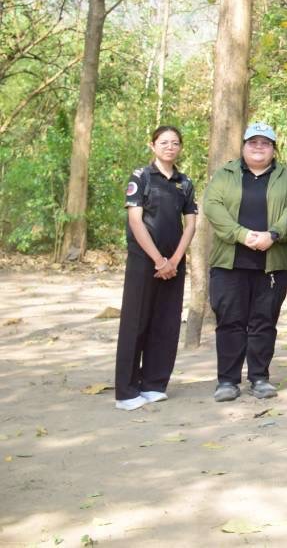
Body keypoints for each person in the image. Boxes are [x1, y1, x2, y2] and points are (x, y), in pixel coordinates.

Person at [203, 122, 287, 403]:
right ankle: (228, 380)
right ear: (243, 146)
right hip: (229, 263)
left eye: (265, 143)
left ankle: (259, 377)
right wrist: (241, 234)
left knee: (263, 322)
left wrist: (274, 234)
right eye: (253, 142)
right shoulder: (225, 174)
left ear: (273, 149)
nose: (258, 147)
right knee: (229, 322)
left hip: (272, 263)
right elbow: (212, 207)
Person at [114, 126, 198, 411]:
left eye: (175, 143)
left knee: (166, 322)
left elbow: (191, 224)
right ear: (152, 145)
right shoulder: (141, 177)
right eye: (164, 142)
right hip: (144, 260)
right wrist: (158, 260)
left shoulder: (184, 182)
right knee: (136, 322)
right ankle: (126, 391)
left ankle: (154, 383)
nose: (170, 147)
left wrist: (174, 260)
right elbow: (135, 221)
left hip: (174, 262)